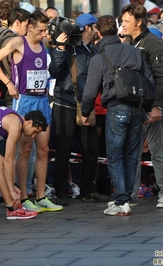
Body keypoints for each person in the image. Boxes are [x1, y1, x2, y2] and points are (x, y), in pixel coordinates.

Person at [0, 10, 63, 212]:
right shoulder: (17, 43)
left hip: (42, 99)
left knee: (44, 150)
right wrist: (8, 84)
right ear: (29, 27)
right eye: (41, 30)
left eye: (46, 30)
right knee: (25, 150)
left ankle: (41, 196)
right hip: (25, 100)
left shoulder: (43, 44)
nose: (44, 34)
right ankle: (23, 196)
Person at [81, 15, 153, 216]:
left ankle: (121, 201)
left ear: (99, 33)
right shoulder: (134, 52)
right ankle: (127, 198)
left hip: (116, 108)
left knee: (115, 157)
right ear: (117, 30)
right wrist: (148, 106)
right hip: (137, 108)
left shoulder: (99, 58)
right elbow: (149, 81)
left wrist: (86, 113)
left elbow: (89, 92)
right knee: (131, 156)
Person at [49, 13, 109, 206]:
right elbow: (55, 72)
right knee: (63, 150)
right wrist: (59, 48)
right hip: (65, 102)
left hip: (86, 104)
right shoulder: (68, 47)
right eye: (95, 26)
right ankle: (62, 191)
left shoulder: (93, 49)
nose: (97, 31)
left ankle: (87, 191)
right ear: (88, 28)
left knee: (91, 150)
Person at [121, 4, 163, 208]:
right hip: (134, 105)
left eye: (126, 21)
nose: (123, 25)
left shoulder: (153, 43)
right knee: (132, 151)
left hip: (152, 104)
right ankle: (130, 195)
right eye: (122, 21)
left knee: (158, 151)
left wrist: (158, 106)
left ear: (139, 22)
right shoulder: (127, 43)